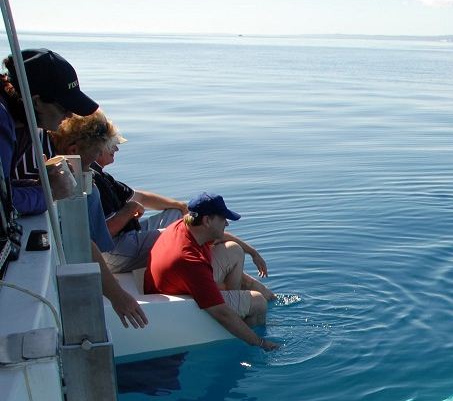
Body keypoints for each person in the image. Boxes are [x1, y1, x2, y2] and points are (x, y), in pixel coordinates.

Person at [0, 48, 147, 328]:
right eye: (64, 108)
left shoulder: (25, 126)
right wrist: (48, 190)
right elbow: (5, 204)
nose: (68, 116)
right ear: (35, 101)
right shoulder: (2, 122)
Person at [51, 110, 187, 272]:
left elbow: (140, 197)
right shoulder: (86, 182)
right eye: (101, 149)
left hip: (127, 235)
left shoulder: (94, 173)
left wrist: (180, 205)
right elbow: (102, 236)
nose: (115, 149)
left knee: (182, 215)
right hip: (114, 251)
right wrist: (129, 210)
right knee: (191, 232)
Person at [144, 192, 279, 350]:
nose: (227, 224)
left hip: (181, 278)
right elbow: (221, 313)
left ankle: (242, 304)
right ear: (207, 220)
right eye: (223, 219)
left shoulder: (187, 225)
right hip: (177, 296)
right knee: (259, 302)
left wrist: (253, 253)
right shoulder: (190, 261)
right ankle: (244, 334)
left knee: (234, 250)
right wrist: (261, 343)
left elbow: (221, 236)